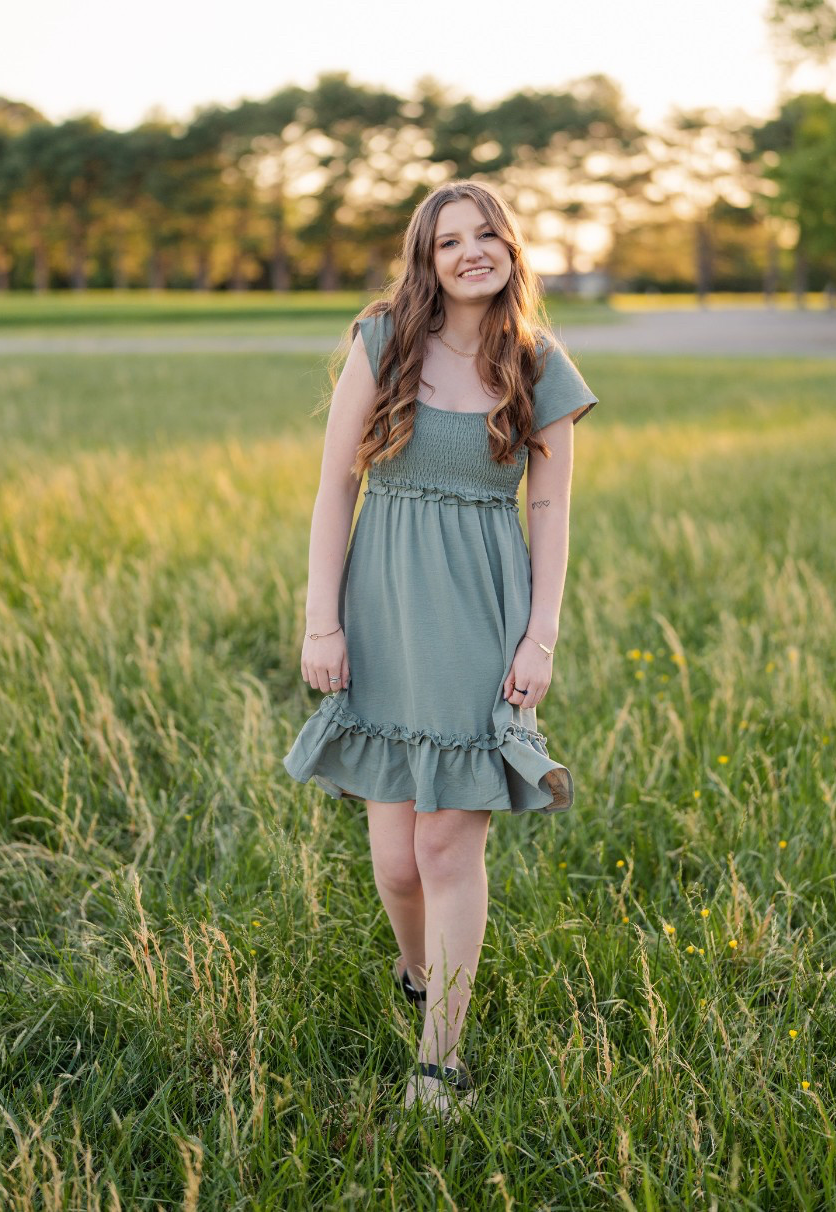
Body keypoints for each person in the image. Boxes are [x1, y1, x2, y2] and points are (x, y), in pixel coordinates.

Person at [283, 179, 598, 1119]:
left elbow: (549, 510)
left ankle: (440, 1059)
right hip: (381, 608)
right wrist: (321, 620)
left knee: (448, 846)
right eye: (448, 239)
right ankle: (419, 971)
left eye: (486, 235)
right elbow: (336, 486)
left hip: (484, 614)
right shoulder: (383, 340)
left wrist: (540, 635)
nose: (471, 252)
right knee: (396, 863)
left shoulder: (539, 364)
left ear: (510, 248)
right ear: (425, 257)